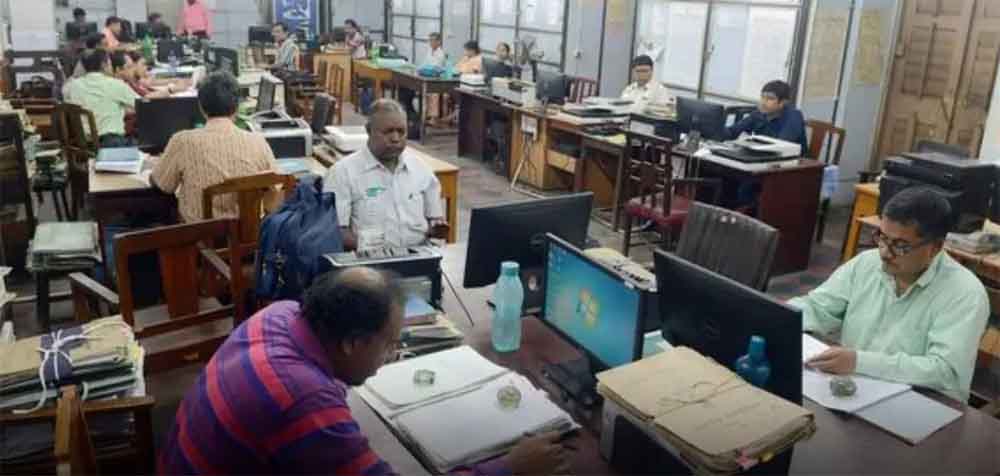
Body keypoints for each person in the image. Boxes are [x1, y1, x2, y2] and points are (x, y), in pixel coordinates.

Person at [158, 266, 570, 474]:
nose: (393, 354)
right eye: (389, 343)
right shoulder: (305, 402)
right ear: (352, 343)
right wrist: (509, 468)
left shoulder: (281, 314)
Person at [791, 187, 989, 403]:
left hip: (924, 404)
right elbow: (818, 308)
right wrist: (782, 317)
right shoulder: (867, 263)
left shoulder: (964, 294)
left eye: (900, 245)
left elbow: (944, 371)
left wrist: (859, 362)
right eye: (882, 238)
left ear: (935, 247)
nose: (885, 253)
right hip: (854, 389)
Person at [150, 72, 279, 223]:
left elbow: (163, 185)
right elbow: (276, 188)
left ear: (201, 106)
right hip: (249, 235)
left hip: (197, 235)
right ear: (237, 106)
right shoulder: (258, 142)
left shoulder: (182, 141)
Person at [324, 99, 446, 250]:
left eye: (401, 132)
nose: (395, 138)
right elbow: (336, 232)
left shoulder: (421, 170)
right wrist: (374, 251)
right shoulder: (343, 173)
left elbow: (435, 218)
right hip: (369, 260)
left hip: (419, 253)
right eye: (388, 132)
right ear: (369, 131)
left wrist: (437, 228)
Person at [65, 48, 140, 148]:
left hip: (82, 144)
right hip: (112, 143)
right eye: (109, 63)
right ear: (104, 65)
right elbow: (141, 105)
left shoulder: (72, 86)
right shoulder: (115, 84)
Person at [726, 80, 808, 155]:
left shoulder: (794, 116)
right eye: (762, 97)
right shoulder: (758, 114)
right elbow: (732, 131)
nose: (763, 102)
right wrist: (719, 130)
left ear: (782, 102)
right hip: (763, 157)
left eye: (770, 98)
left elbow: (780, 146)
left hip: (792, 163)